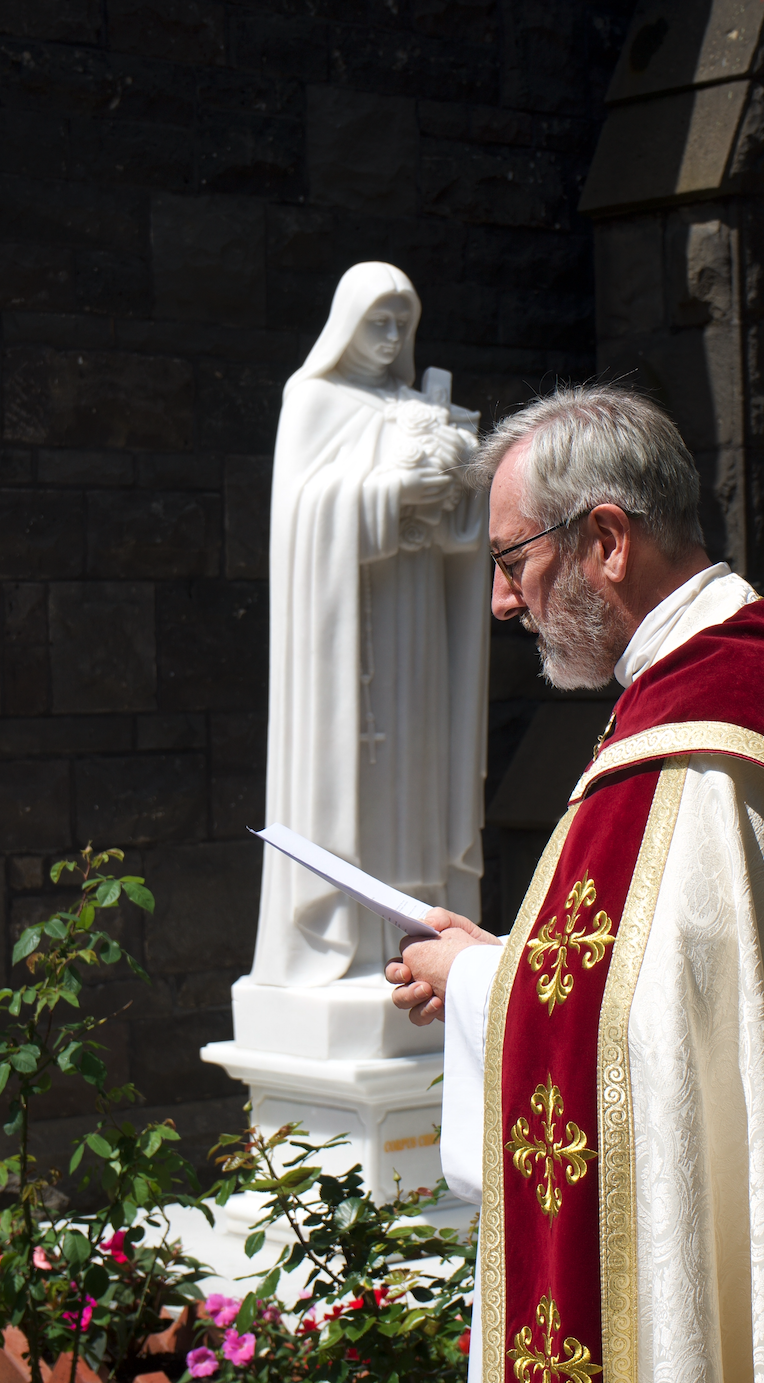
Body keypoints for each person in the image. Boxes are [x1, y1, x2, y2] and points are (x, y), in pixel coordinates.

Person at [386, 384, 764, 1383]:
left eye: (515, 561)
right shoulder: (757, 662)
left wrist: (471, 980)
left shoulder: (698, 740)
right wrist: (502, 960)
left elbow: (647, 1032)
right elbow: (682, 989)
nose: (506, 601)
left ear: (606, 538)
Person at [250, 262, 488, 991]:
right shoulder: (313, 398)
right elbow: (299, 518)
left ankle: (420, 938)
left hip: (416, 623)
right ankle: (347, 943)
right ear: (347, 325)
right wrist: (390, 495)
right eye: (376, 323)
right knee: (356, 777)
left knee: (416, 774)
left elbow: (464, 539)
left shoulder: (422, 406)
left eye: (401, 325)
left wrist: (452, 494)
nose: (389, 339)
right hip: (345, 642)